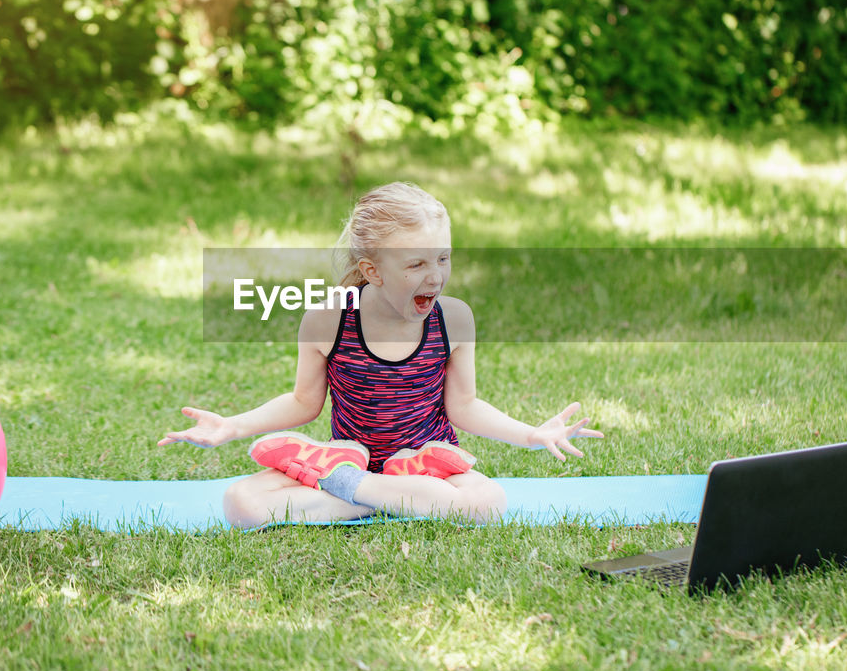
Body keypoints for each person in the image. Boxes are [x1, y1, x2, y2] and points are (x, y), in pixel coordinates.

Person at [160, 182, 602, 528]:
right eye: (416, 265)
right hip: (344, 458)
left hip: (426, 464)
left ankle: (358, 493)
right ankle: (385, 496)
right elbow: (302, 403)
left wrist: (531, 433)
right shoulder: (328, 320)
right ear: (373, 271)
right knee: (240, 504)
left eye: (443, 259)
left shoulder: (454, 320)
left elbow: (463, 406)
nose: (435, 276)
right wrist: (232, 426)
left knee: (489, 503)